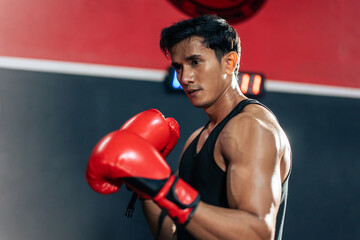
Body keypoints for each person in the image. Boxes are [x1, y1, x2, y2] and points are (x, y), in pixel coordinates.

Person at [85, 15, 291, 240]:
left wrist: (166, 188)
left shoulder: (251, 128)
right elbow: (172, 236)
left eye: (195, 62)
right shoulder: (196, 140)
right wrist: (146, 187)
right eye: (178, 67)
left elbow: (258, 234)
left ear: (229, 62)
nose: (185, 77)